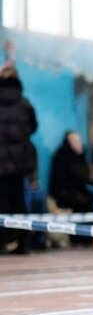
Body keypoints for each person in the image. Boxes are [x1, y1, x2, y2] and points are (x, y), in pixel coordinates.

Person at [0, 66, 38, 255]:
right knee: (19, 204)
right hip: (19, 164)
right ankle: (24, 243)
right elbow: (33, 128)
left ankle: (2, 244)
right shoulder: (25, 104)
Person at [49, 130, 92, 213]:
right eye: (75, 142)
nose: (79, 144)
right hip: (68, 202)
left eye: (80, 141)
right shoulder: (64, 158)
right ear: (69, 143)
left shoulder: (80, 157)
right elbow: (81, 178)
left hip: (77, 200)